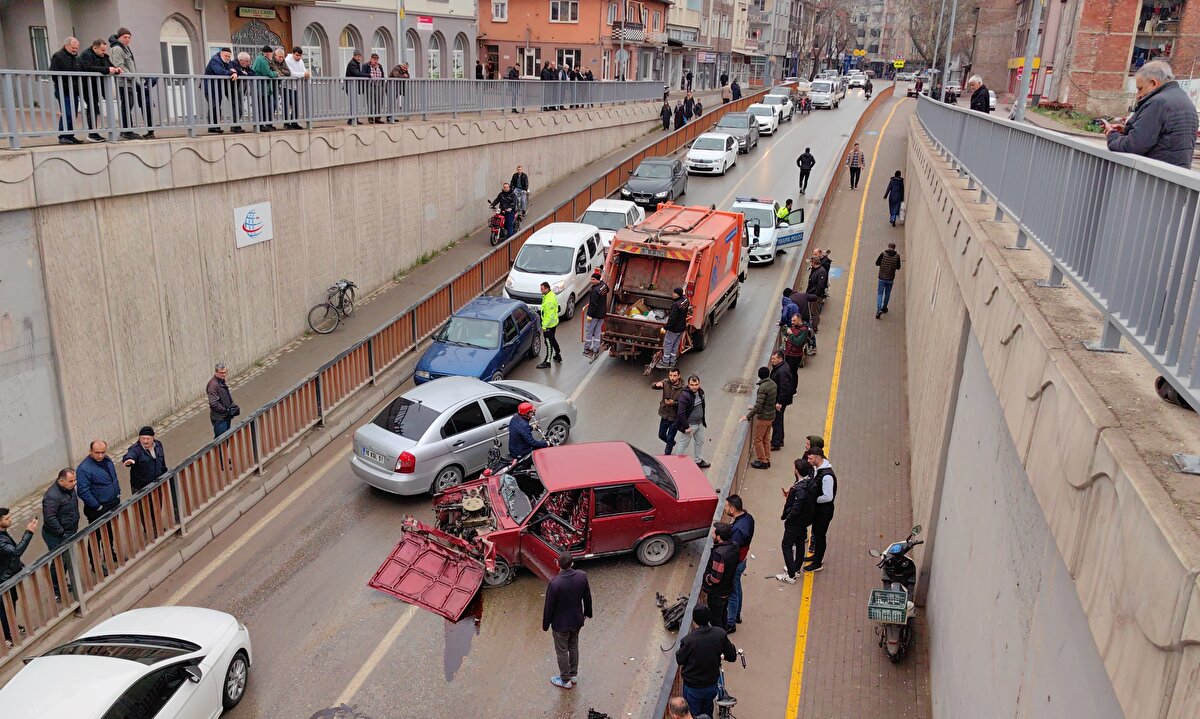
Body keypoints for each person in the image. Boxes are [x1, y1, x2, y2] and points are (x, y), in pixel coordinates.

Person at [1105, 61, 1199, 169]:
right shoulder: (1185, 100)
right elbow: (1166, 135)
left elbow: (1133, 145)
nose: (1138, 95)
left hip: (1155, 173)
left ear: (1153, 83)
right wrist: (1127, 130)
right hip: (1177, 173)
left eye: (1140, 89)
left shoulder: (1158, 102)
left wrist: (1112, 135)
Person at [675, 604, 737, 718]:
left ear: (694, 620)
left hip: (693, 687)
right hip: (711, 685)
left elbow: (680, 659)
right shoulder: (719, 634)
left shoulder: (688, 640)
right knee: (708, 710)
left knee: (694, 714)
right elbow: (732, 656)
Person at [542, 552, 592, 689]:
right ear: (572, 563)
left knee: (562, 651)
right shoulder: (582, 576)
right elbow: (587, 596)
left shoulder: (555, 583)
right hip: (577, 620)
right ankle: (573, 675)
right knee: (573, 646)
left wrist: (545, 625)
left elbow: (549, 607)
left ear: (558, 564)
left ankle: (565, 680)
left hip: (560, 625)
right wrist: (587, 613)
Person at [775, 457, 819, 584]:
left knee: (786, 545)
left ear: (797, 471)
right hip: (804, 521)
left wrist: (788, 519)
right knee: (799, 543)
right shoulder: (810, 483)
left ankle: (791, 575)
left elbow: (796, 508)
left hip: (796, 522)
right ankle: (796, 569)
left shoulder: (800, 490)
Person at [1, 508, 38, 646]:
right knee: (4, 607)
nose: (10, 519)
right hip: (3, 578)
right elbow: (15, 552)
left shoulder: (3, 533)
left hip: (8, 574)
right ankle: (8, 635)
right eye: (7, 518)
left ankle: (11, 627)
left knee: (12, 601)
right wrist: (29, 532)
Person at [109, 28, 154, 140]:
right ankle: (127, 131)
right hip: (124, 82)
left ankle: (126, 130)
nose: (127, 39)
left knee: (128, 105)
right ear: (119, 37)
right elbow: (119, 66)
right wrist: (132, 76)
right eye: (125, 37)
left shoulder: (125, 48)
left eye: (129, 37)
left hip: (130, 82)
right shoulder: (117, 48)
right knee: (126, 106)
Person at [41, 468, 79, 599]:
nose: (74, 483)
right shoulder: (52, 496)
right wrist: (62, 533)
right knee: (59, 562)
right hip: (56, 535)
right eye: (71, 481)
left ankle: (62, 583)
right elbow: (50, 518)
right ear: (61, 480)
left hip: (69, 531)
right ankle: (56, 588)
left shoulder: (69, 489)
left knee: (66, 560)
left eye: (74, 480)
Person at [700, 523, 739, 645]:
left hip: (717, 592)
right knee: (723, 614)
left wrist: (707, 578)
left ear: (718, 537)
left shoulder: (719, 554)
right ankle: (723, 635)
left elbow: (716, 578)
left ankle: (720, 643)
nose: (712, 535)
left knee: (715, 619)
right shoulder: (734, 546)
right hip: (726, 589)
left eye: (714, 533)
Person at [79, 39, 122, 142]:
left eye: (104, 50)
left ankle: (103, 132)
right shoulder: (85, 55)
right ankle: (92, 133)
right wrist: (107, 70)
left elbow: (109, 66)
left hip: (100, 86)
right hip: (88, 86)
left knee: (99, 107)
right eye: (102, 50)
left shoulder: (104, 56)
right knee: (93, 108)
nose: (104, 52)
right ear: (95, 48)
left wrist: (116, 70)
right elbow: (88, 68)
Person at [724, 495, 754, 632]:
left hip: (736, 564)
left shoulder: (738, 530)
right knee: (737, 587)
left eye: (726, 506)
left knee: (732, 593)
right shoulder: (748, 518)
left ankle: (731, 623)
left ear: (732, 509)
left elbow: (732, 550)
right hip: (742, 560)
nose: (725, 509)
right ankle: (737, 615)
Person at [805, 449, 837, 572]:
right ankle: (816, 556)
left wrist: (813, 499)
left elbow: (828, 497)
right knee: (816, 533)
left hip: (824, 512)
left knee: (820, 535)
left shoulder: (827, 476)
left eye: (811, 458)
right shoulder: (818, 470)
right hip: (819, 510)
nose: (808, 461)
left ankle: (818, 563)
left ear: (818, 458)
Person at [77, 440, 120, 525]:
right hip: (99, 509)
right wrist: (97, 506)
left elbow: (113, 477)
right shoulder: (84, 469)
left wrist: (118, 492)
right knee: (99, 532)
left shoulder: (107, 460)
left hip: (112, 503)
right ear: (90, 451)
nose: (100, 455)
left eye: (103, 452)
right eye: (97, 452)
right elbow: (83, 491)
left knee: (113, 530)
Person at [742, 366, 777, 469]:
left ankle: (762, 461)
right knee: (766, 439)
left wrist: (748, 416)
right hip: (771, 415)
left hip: (764, 417)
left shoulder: (763, 388)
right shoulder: (773, 384)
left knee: (758, 439)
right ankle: (767, 459)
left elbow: (759, 405)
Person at [50, 37, 83, 144]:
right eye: (73, 47)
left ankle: (69, 135)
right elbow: (54, 73)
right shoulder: (58, 56)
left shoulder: (76, 57)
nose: (75, 50)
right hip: (63, 90)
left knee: (73, 113)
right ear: (66, 46)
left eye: (76, 48)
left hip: (74, 90)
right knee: (67, 113)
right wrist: (64, 85)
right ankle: (63, 135)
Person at [675, 375, 710, 468]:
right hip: (690, 426)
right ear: (688, 384)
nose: (694, 387)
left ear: (699, 383)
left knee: (699, 442)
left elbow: (702, 406)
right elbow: (681, 413)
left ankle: (698, 461)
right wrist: (686, 427)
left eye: (696, 384)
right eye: (692, 385)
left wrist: (702, 421)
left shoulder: (701, 391)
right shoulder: (684, 396)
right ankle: (676, 464)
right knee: (683, 444)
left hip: (699, 424)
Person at [122, 426, 167, 494]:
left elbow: (162, 463)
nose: (145, 441)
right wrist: (128, 460)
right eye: (142, 438)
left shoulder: (158, 445)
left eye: (148, 439)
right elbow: (131, 454)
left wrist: (165, 475)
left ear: (153, 438)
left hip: (157, 484)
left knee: (158, 500)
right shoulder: (135, 449)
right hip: (141, 489)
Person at [203, 48, 238, 134]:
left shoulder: (227, 61)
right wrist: (231, 72)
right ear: (221, 54)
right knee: (214, 106)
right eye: (226, 56)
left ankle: (216, 126)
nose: (228, 58)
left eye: (229, 56)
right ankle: (212, 127)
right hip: (210, 88)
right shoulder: (215, 60)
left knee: (217, 107)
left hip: (218, 88)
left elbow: (233, 69)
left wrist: (234, 73)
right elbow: (219, 71)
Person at [652, 368, 684, 454]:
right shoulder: (665, 382)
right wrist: (657, 384)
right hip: (665, 415)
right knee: (661, 435)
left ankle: (667, 456)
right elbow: (653, 386)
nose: (672, 378)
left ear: (679, 376)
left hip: (675, 417)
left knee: (670, 438)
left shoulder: (683, 389)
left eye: (674, 375)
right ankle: (671, 443)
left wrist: (674, 403)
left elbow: (684, 405)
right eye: (670, 375)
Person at [768, 351, 795, 451]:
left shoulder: (781, 372)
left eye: (774, 359)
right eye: (772, 358)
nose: (772, 360)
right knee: (779, 420)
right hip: (782, 399)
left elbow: (784, 388)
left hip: (780, 400)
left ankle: (776, 443)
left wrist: (779, 402)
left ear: (780, 359)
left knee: (777, 421)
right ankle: (779, 440)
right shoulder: (782, 367)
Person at [250, 45, 278, 131]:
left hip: (263, 88)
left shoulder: (261, 59)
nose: (272, 56)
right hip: (261, 88)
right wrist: (275, 73)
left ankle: (266, 124)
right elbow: (267, 73)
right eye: (271, 54)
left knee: (267, 106)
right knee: (262, 107)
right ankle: (261, 125)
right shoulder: (262, 60)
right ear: (267, 53)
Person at [207, 363, 239, 438]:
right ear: (216, 372)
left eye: (225, 372)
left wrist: (231, 406)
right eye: (221, 373)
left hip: (225, 417)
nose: (224, 374)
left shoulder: (221, 381)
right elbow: (213, 403)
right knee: (221, 440)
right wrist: (225, 411)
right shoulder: (213, 385)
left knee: (226, 438)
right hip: (220, 418)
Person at [661, 287, 689, 368]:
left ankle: (665, 362)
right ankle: (672, 361)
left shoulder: (675, 305)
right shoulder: (685, 300)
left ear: (678, 294)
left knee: (668, 345)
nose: (672, 294)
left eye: (674, 293)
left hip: (674, 329)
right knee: (675, 344)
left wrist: (665, 327)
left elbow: (672, 319)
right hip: (681, 328)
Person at [283, 47, 310, 130]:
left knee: (296, 105)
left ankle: (294, 122)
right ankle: (286, 123)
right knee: (287, 105)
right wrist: (302, 75)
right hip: (286, 86)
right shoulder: (287, 60)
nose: (299, 57)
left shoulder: (301, 61)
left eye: (300, 55)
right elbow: (291, 73)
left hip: (295, 87)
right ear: (293, 53)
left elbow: (304, 71)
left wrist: (307, 74)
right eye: (297, 55)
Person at [583, 270, 608, 358]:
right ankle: (596, 349)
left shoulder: (595, 291)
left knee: (589, 332)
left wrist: (589, 315)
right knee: (597, 332)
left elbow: (593, 304)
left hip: (594, 315)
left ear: (598, 280)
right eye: (591, 279)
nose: (591, 281)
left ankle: (586, 348)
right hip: (602, 314)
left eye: (593, 280)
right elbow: (607, 289)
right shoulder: (604, 285)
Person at [875, 242, 902, 319]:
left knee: (880, 294)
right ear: (894, 248)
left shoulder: (883, 254)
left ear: (888, 247)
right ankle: (884, 307)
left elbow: (877, 263)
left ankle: (879, 309)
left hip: (881, 278)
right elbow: (898, 267)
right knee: (887, 293)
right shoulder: (897, 256)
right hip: (890, 279)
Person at [538, 282, 562, 368]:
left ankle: (547, 362)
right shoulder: (551, 295)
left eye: (542, 289)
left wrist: (544, 326)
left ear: (547, 289)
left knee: (548, 343)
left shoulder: (549, 300)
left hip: (549, 325)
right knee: (552, 339)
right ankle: (557, 354)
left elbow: (549, 315)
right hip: (553, 323)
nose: (540, 290)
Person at [344, 49, 367, 125]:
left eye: (360, 56)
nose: (359, 58)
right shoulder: (352, 64)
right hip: (350, 86)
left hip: (353, 86)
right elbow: (357, 74)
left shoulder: (355, 63)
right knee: (353, 103)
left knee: (353, 103)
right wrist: (368, 75)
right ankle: (353, 119)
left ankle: (352, 119)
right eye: (358, 56)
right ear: (354, 56)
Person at [805, 256, 827, 332]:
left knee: (814, 312)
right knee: (812, 311)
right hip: (812, 294)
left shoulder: (821, 272)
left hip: (816, 296)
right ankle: (813, 325)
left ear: (814, 263)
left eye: (811, 262)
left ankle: (814, 328)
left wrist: (815, 295)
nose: (811, 264)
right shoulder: (816, 270)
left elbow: (820, 285)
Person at [364, 52, 385, 123]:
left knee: (379, 102)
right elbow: (363, 74)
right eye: (374, 59)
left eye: (377, 60)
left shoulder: (380, 66)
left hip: (379, 86)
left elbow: (382, 75)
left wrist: (382, 85)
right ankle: (370, 118)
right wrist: (370, 75)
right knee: (370, 102)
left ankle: (377, 118)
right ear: (371, 59)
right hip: (370, 86)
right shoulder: (366, 66)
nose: (376, 61)